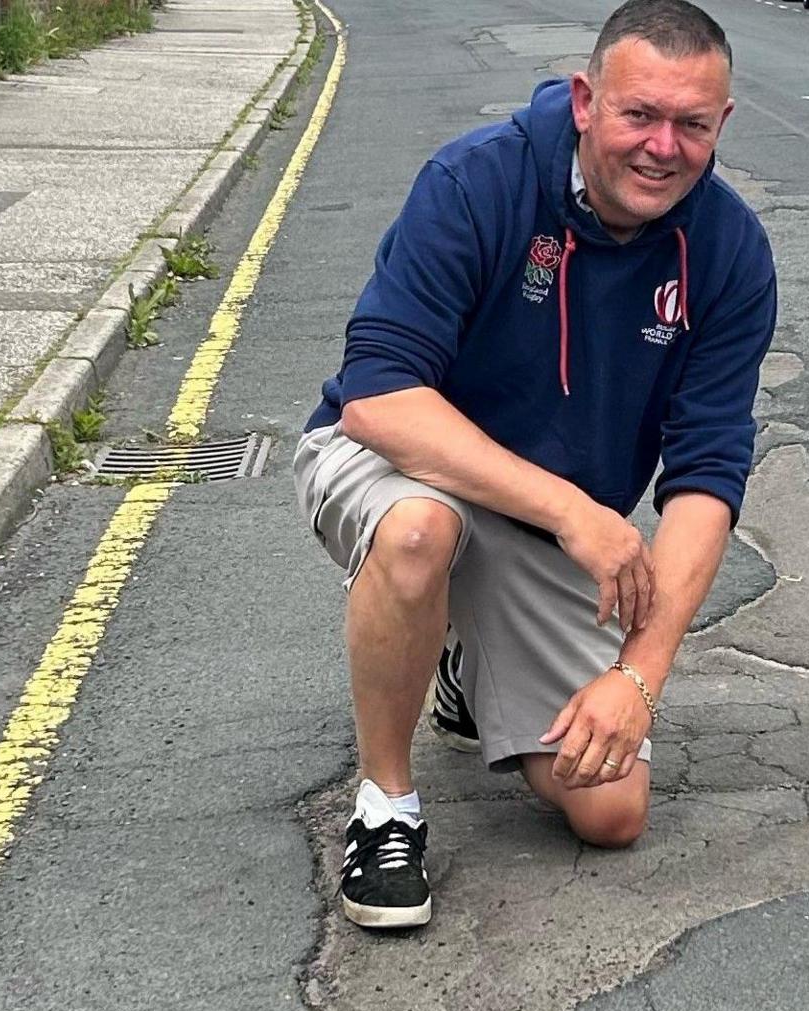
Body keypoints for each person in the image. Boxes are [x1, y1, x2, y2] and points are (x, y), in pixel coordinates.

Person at [294, 0, 777, 929]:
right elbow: (378, 395)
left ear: (723, 125)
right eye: (641, 115)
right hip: (395, 462)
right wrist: (571, 510)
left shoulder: (727, 249)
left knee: (611, 812)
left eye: (691, 125)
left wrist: (639, 680)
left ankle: (463, 664)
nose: (663, 147)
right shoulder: (478, 181)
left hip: (531, 523)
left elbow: (708, 477)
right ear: (588, 100)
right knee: (421, 533)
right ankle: (386, 806)